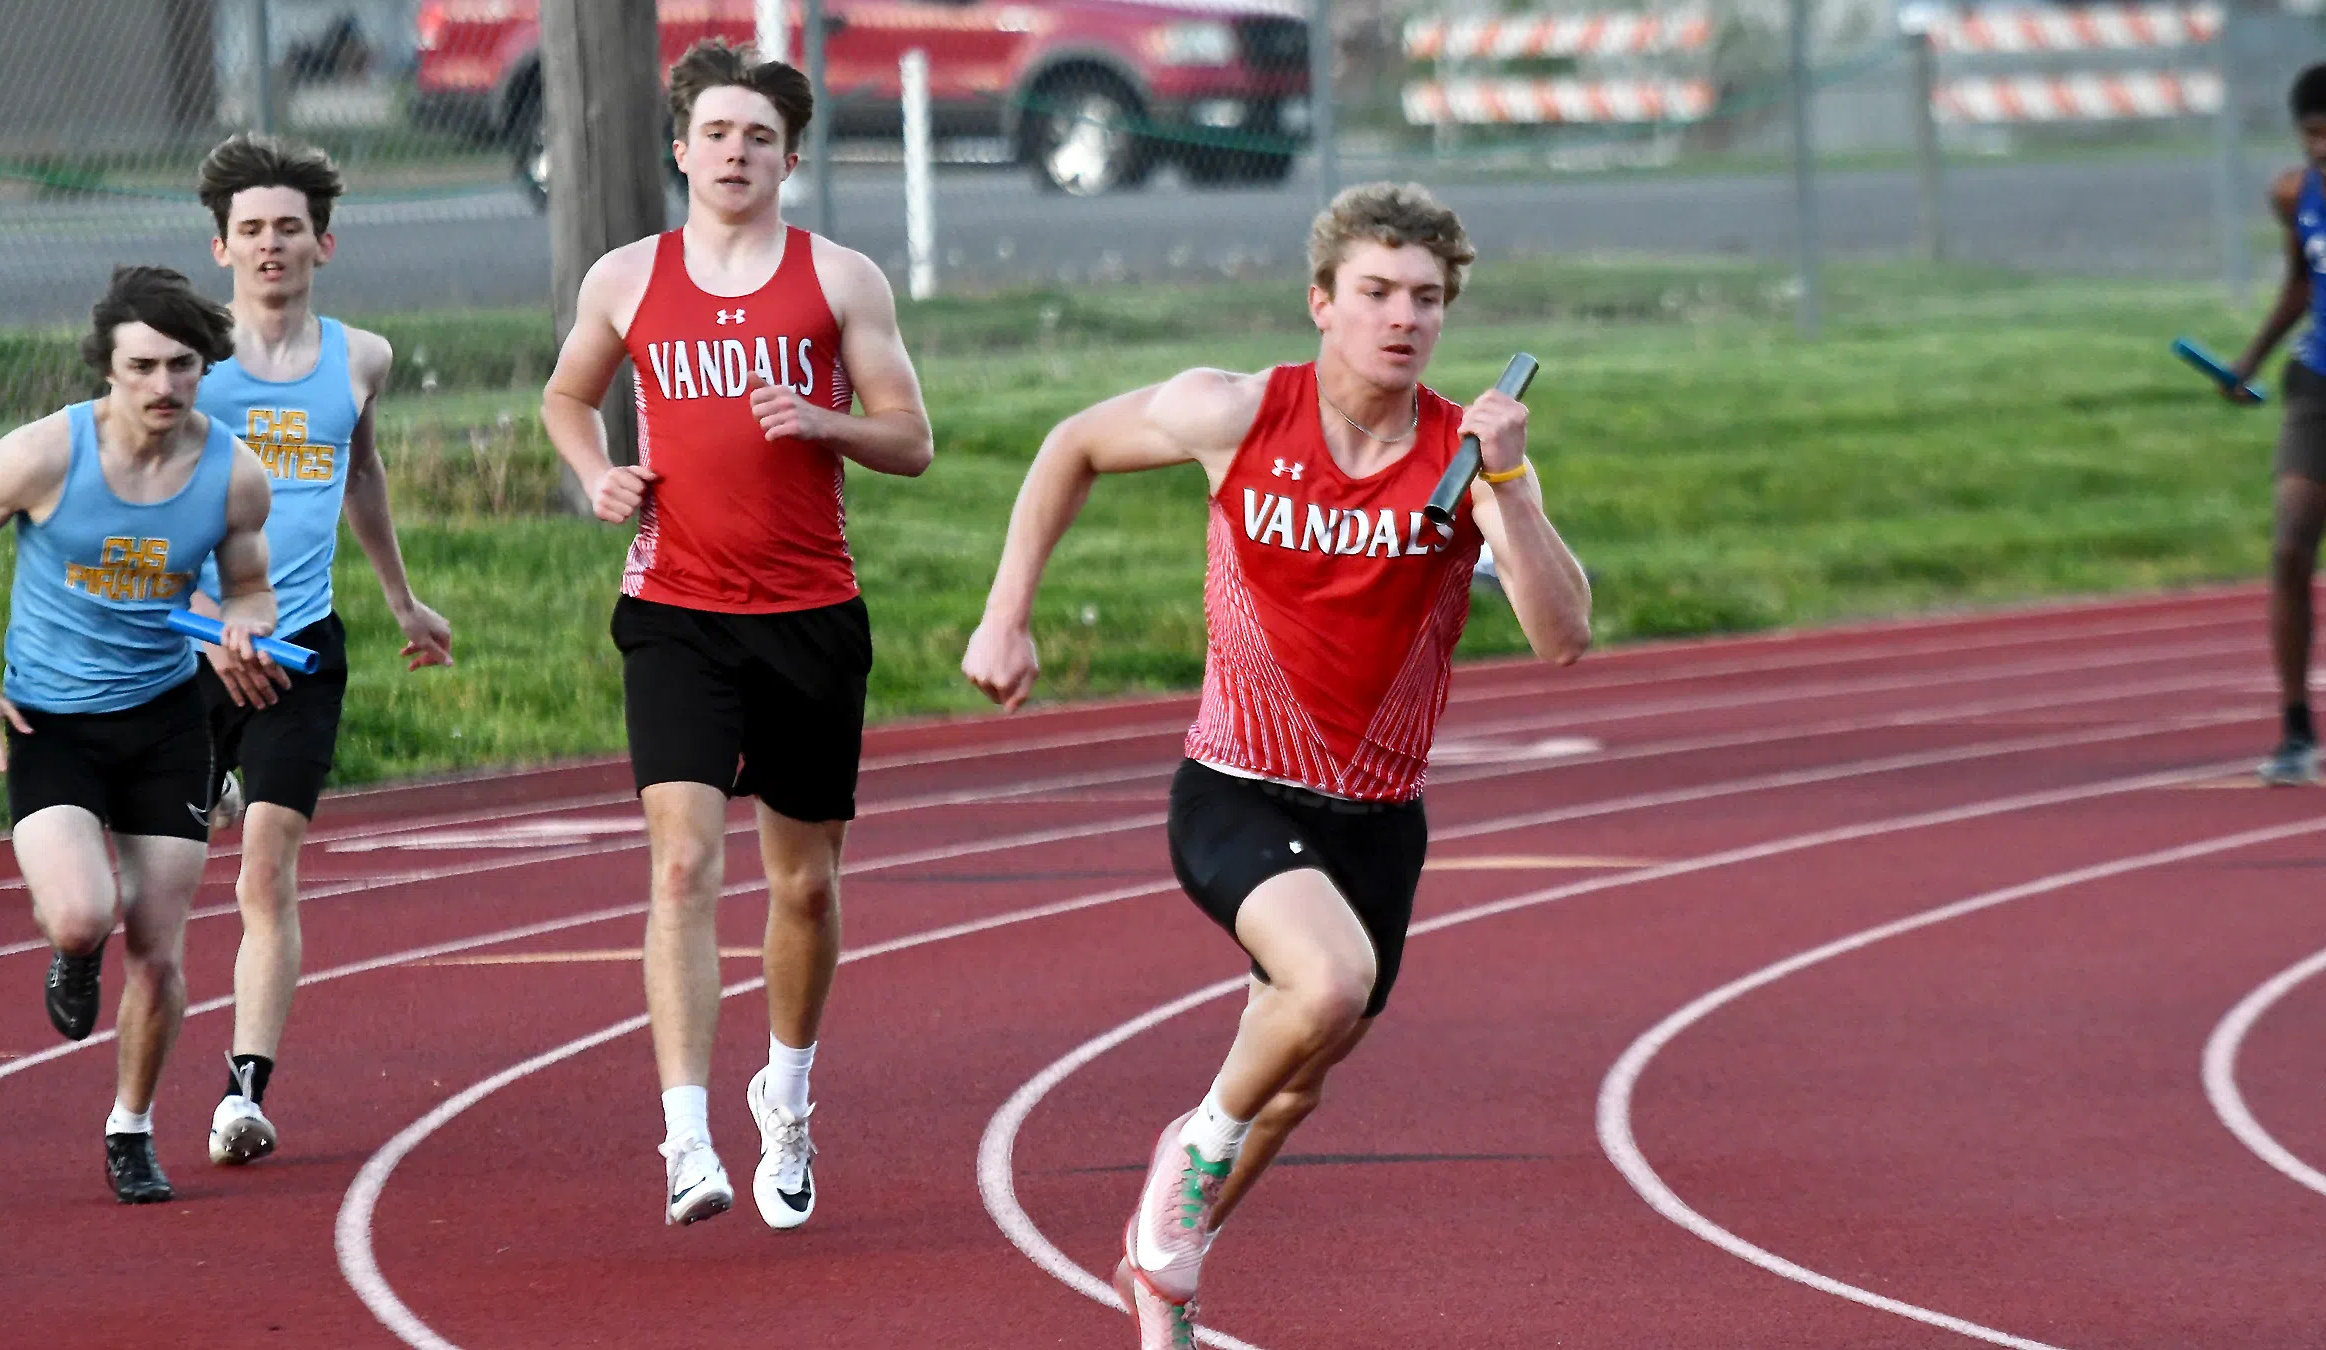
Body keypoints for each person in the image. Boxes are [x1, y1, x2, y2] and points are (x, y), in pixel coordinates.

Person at [961, 182, 1592, 1345]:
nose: (1402, 318)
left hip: (1380, 820)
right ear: (1321, 303)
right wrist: (1008, 615)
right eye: (1377, 293)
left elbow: (1562, 635)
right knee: (1329, 984)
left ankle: (1164, 1276)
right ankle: (1192, 1152)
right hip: (1238, 789)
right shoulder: (1236, 410)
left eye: (1427, 299)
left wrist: (1508, 481)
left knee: (1298, 1081)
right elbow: (1071, 445)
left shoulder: (1468, 458)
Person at [539, 39, 932, 1229]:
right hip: (676, 613)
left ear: (790, 159)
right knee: (681, 866)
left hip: (810, 616)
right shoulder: (626, 277)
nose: (735, 152)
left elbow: (912, 439)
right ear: (681, 149)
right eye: (715, 133)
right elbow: (565, 395)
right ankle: (685, 1139)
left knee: (803, 888)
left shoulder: (840, 280)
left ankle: (788, 1098)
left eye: (759, 137)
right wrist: (596, 473)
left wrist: (825, 421)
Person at [0, 266, 278, 1203]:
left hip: (165, 724)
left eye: (182, 366)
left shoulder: (233, 474)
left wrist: (244, 625)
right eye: (142, 367)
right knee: (85, 913)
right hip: (51, 723)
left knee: (158, 950)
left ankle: (131, 1128)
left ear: (204, 367)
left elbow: (249, 585)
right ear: (108, 369)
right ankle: (73, 951)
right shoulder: (46, 455)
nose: (164, 385)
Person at [186, 132, 454, 1167]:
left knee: (266, 872)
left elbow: (362, 473)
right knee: (147, 883)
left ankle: (244, 1091)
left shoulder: (361, 359)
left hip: (300, 651)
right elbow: (135, 505)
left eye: (288, 228)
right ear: (221, 247)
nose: (270, 245)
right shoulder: (187, 364)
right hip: (188, 648)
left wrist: (403, 600)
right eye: (250, 229)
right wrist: (208, 627)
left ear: (322, 244)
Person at [2229, 62, 2326, 786]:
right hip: (2318, 380)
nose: (2320, 148)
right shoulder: (2295, 194)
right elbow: (2300, 282)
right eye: (2310, 135)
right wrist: (2250, 360)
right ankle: (2296, 730)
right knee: (2291, 545)